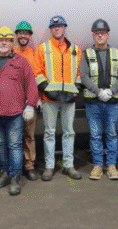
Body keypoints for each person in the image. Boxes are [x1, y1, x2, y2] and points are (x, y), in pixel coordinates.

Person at [0, 26, 38, 195]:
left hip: (15, 113)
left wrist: (30, 105)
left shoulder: (21, 62)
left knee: (14, 145)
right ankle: (6, 173)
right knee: (1, 144)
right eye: (1, 40)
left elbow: (31, 84)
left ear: (12, 43)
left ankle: (15, 176)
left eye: (7, 41)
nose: (4, 43)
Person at [32, 15, 83, 181]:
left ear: (64, 28)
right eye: (54, 27)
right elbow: (37, 72)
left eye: (60, 26)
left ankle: (68, 165)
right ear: (51, 29)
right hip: (49, 99)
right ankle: (49, 166)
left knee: (69, 132)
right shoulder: (43, 48)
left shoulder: (75, 49)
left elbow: (80, 73)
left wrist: (77, 89)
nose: (57, 29)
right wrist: (46, 89)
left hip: (69, 99)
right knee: (49, 133)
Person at [79, 19, 118, 181]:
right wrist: (98, 92)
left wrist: (111, 91)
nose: (100, 35)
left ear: (108, 35)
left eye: (103, 33)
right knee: (95, 135)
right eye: (97, 33)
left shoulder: (117, 53)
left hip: (112, 103)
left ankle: (112, 165)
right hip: (93, 102)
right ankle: (98, 165)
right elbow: (84, 76)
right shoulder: (87, 54)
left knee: (112, 134)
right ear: (93, 35)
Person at [13, 20, 40, 181]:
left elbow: (37, 78)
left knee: (29, 135)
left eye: (26, 33)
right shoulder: (11, 52)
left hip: (29, 102)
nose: (23, 36)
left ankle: (29, 165)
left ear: (30, 36)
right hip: (14, 102)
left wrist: (36, 99)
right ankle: (15, 166)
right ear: (16, 35)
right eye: (21, 33)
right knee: (14, 136)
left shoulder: (34, 55)